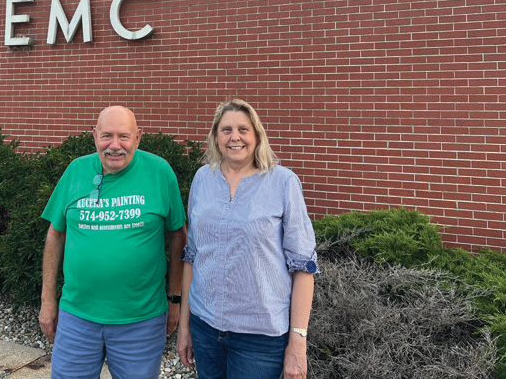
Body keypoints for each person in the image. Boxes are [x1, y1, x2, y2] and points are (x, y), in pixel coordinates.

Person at [40, 105, 187, 379]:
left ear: (138, 137)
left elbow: (178, 237)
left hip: (141, 320)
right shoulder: (76, 170)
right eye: (107, 136)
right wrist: (47, 299)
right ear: (94, 136)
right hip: (77, 316)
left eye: (124, 136)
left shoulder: (159, 172)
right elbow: (55, 233)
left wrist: (175, 300)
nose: (115, 145)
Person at [176, 99, 319, 379]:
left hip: (260, 338)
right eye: (226, 129)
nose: (235, 137)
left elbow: (303, 266)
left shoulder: (282, 182)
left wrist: (298, 341)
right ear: (216, 137)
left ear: (257, 135)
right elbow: (193, 255)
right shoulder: (203, 178)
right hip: (205, 328)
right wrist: (185, 326)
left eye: (243, 129)